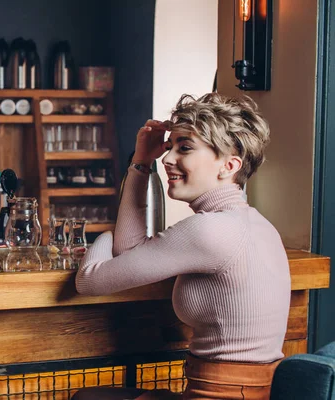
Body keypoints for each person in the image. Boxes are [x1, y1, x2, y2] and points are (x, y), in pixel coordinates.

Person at [73, 93, 291, 399]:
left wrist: (102, 237)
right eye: (170, 147)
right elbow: (130, 252)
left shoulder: (209, 230)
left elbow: (89, 280)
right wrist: (141, 162)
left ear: (229, 165)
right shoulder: (255, 225)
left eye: (184, 148)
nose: (168, 158)